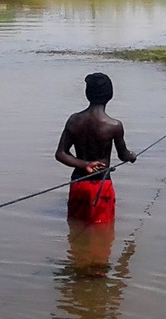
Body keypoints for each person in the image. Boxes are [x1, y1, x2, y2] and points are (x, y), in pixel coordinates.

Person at [55, 72, 136, 223]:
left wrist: (85, 165)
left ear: (87, 94)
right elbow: (123, 155)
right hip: (101, 185)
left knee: (75, 226)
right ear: (110, 95)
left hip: (78, 183)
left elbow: (61, 154)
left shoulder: (74, 120)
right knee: (102, 232)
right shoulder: (114, 125)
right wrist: (132, 156)